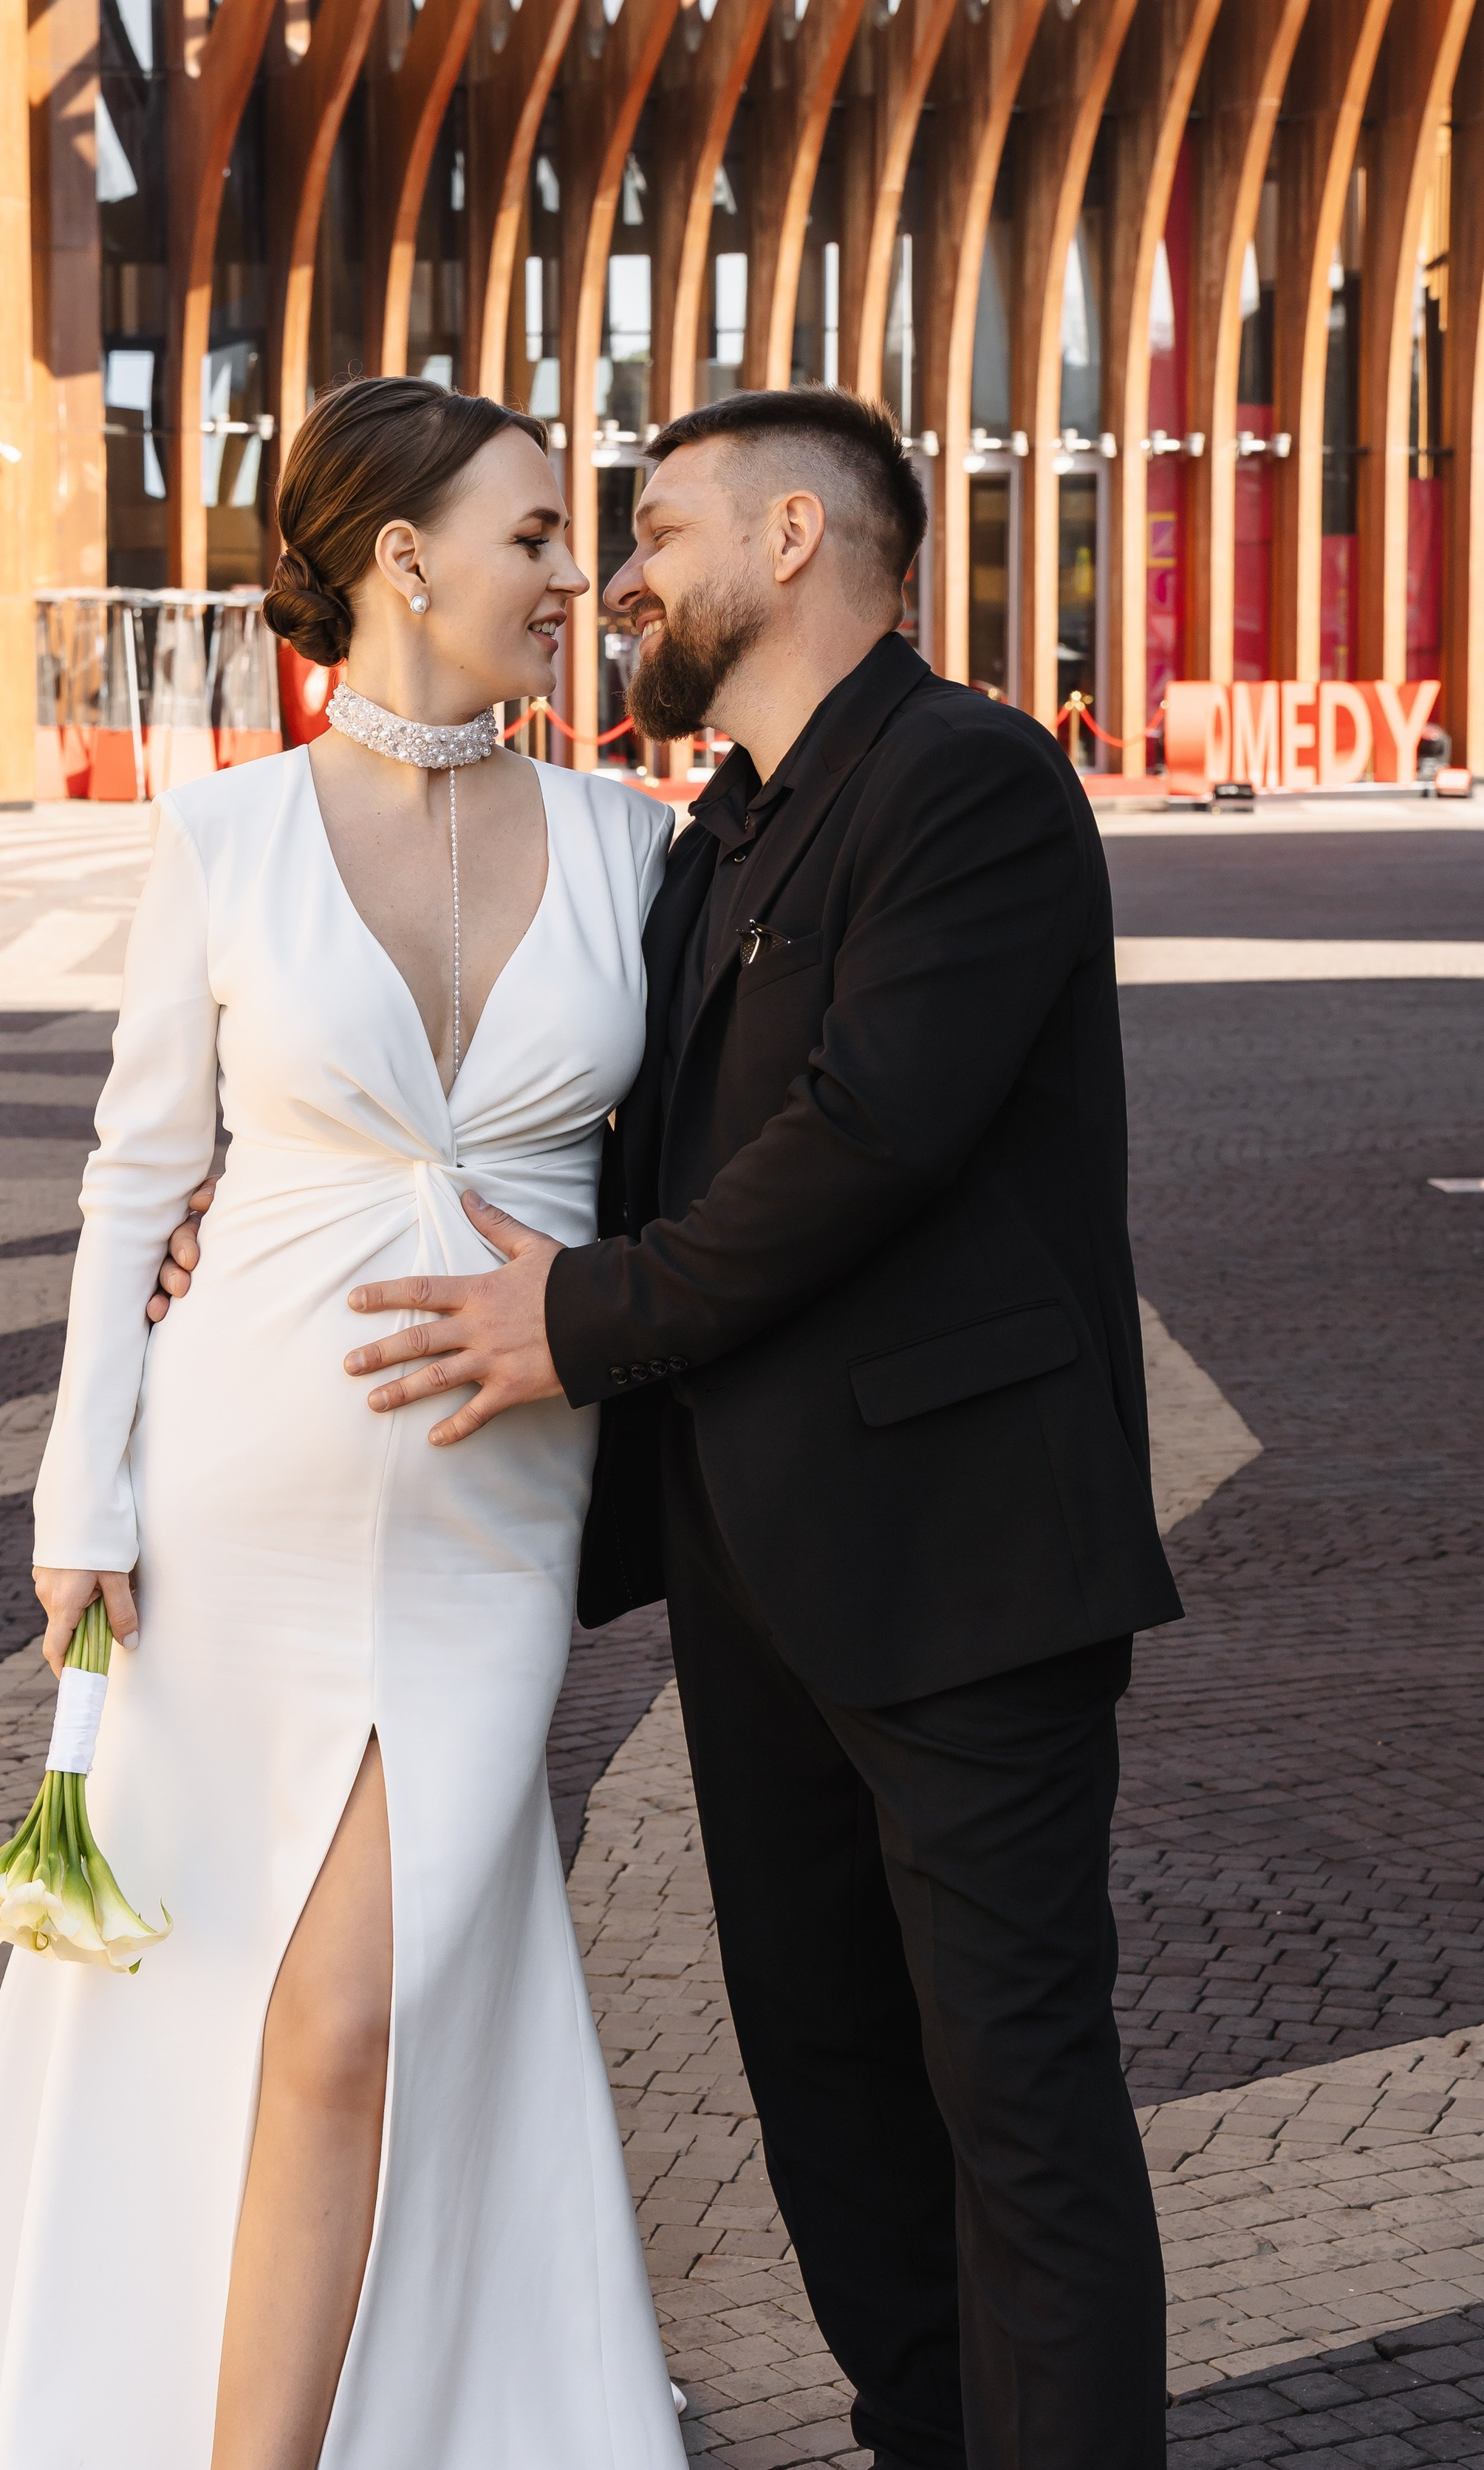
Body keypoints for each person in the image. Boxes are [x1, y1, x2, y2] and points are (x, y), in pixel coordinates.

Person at [0, 377, 690, 2470]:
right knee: (247, 1986)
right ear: (404, 561)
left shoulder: (640, 843)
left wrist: (607, 1283)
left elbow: (708, 1173)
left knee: (368, 1996)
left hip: (495, 1497)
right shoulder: (225, 834)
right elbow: (137, 1179)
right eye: (533, 536)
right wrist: (88, 1482)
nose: (570, 578)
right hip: (241, 1464)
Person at [303, 388, 1186, 2469]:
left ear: (793, 541)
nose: (620, 573)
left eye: (655, 525)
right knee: (829, 2094)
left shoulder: (968, 782)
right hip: (758, 1577)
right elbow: (627, 1151)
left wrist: (577, 1325)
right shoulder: (719, 836)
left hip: (966, 1569)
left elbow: (863, 1139)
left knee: (1017, 2105)